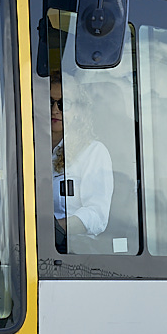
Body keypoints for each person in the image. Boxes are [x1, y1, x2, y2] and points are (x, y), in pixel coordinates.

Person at [51, 76, 112, 253]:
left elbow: (97, 215)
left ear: (79, 110)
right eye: (50, 102)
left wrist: (54, 229)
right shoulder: (28, 151)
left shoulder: (93, 152)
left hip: (73, 252)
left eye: (64, 104)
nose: (55, 110)